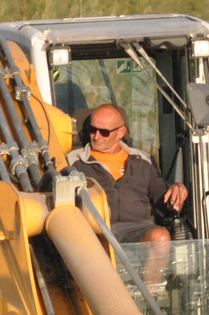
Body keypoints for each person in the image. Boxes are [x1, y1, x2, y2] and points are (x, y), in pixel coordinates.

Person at [66, 104, 187, 246]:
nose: (96, 136)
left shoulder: (142, 161)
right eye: (92, 130)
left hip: (137, 229)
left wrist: (176, 191)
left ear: (121, 132)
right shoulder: (73, 161)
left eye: (104, 132)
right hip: (94, 230)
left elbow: (163, 199)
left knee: (160, 237)